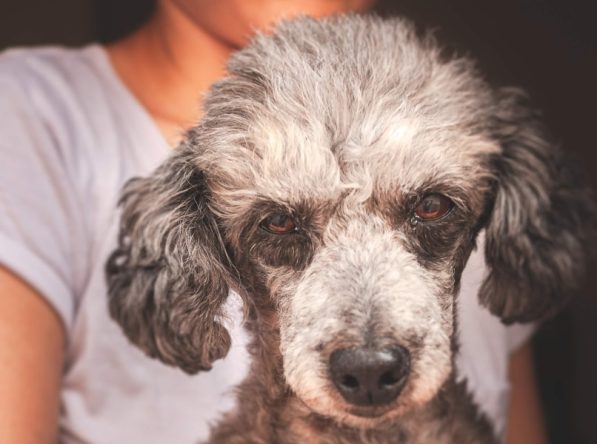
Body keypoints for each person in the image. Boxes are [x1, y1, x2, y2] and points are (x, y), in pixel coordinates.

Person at [0, 1, 547, 442]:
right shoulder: (31, 115)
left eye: (429, 211)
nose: (369, 349)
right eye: (281, 227)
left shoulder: (473, 156)